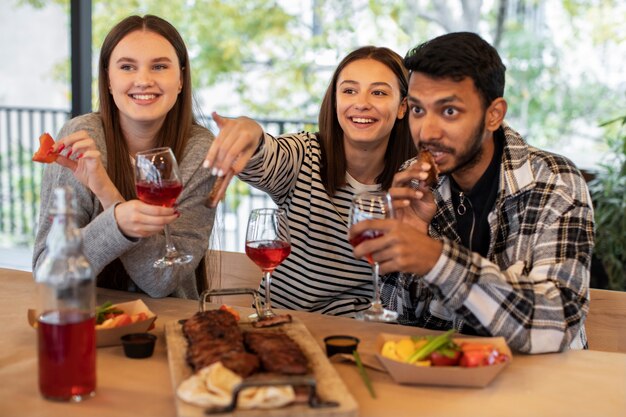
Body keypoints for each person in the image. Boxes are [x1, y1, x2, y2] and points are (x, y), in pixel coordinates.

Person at [349, 32, 594, 353]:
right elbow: (400, 325)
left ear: (494, 114)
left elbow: (555, 324)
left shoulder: (554, 182)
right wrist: (407, 247)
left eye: (449, 111)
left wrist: (436, 258)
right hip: (445, 383)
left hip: (541, 386)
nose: (427, 131)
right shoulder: (416, 177)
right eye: (419, 111)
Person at [204, 46, 416, 316]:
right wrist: (251, 132)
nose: (362, 102)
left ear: (402, 107)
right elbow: (265, 156)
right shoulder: (305, 154)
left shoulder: (414, 181)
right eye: (349, 90)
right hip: (283, 325)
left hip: (358, 333)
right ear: (335, 101)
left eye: (379, 92)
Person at [33, 15, 216, 299]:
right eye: (127, 67)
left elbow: (161, 281)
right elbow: (48, 271)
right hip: (88, 321)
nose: (143, 80)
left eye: (159, 66)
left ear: (180, 79)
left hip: (174, 326)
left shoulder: (201, 150)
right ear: (108, 79)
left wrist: (108, 196)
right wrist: (117, 222)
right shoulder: (80, 139)